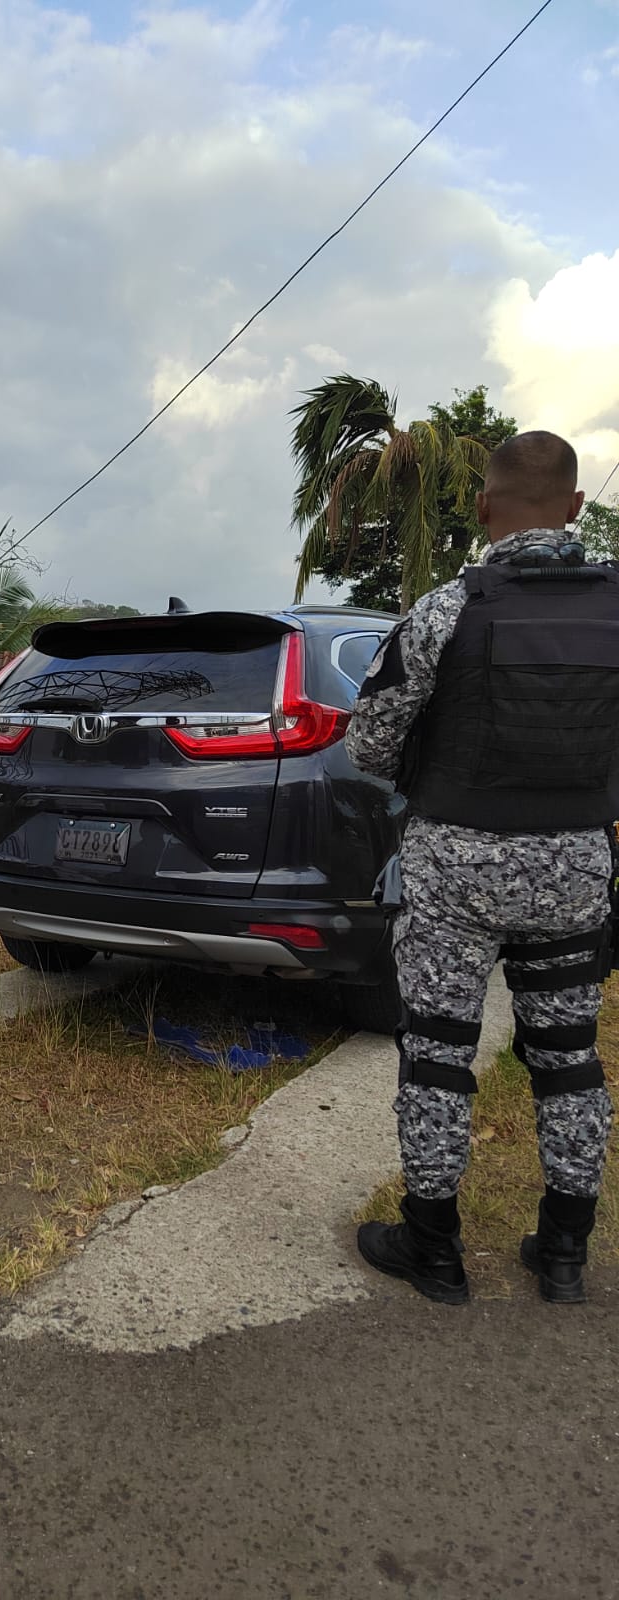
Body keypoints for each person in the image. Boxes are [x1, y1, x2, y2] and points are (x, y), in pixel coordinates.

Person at [347, 431, 619, 1306]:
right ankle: (565, 1252)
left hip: (453, 875)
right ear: (574, 507)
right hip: (574, 871)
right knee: (569, 1059)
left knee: (436, 1055)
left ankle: (433, 1250)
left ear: (482, 506)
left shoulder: (442, 612)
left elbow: (367, 744)